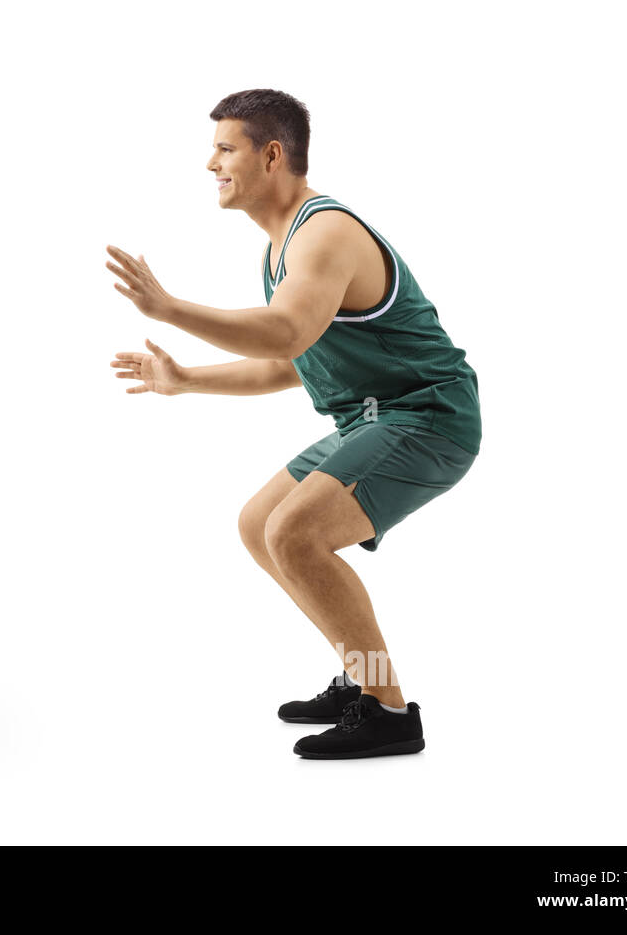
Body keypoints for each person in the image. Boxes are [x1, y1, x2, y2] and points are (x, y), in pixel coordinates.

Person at [108, 89, 480, 759]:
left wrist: (167, 308)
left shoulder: (325, 232)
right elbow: (289, 359)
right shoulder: (280, 246)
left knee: (296, 532)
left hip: (429, 417)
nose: (209, 162)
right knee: (260, 525)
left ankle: (388, 710)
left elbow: (285, 327)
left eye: (225, 147)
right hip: (374, 418)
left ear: (271, 154)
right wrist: (184, 379)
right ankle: (358, 674)